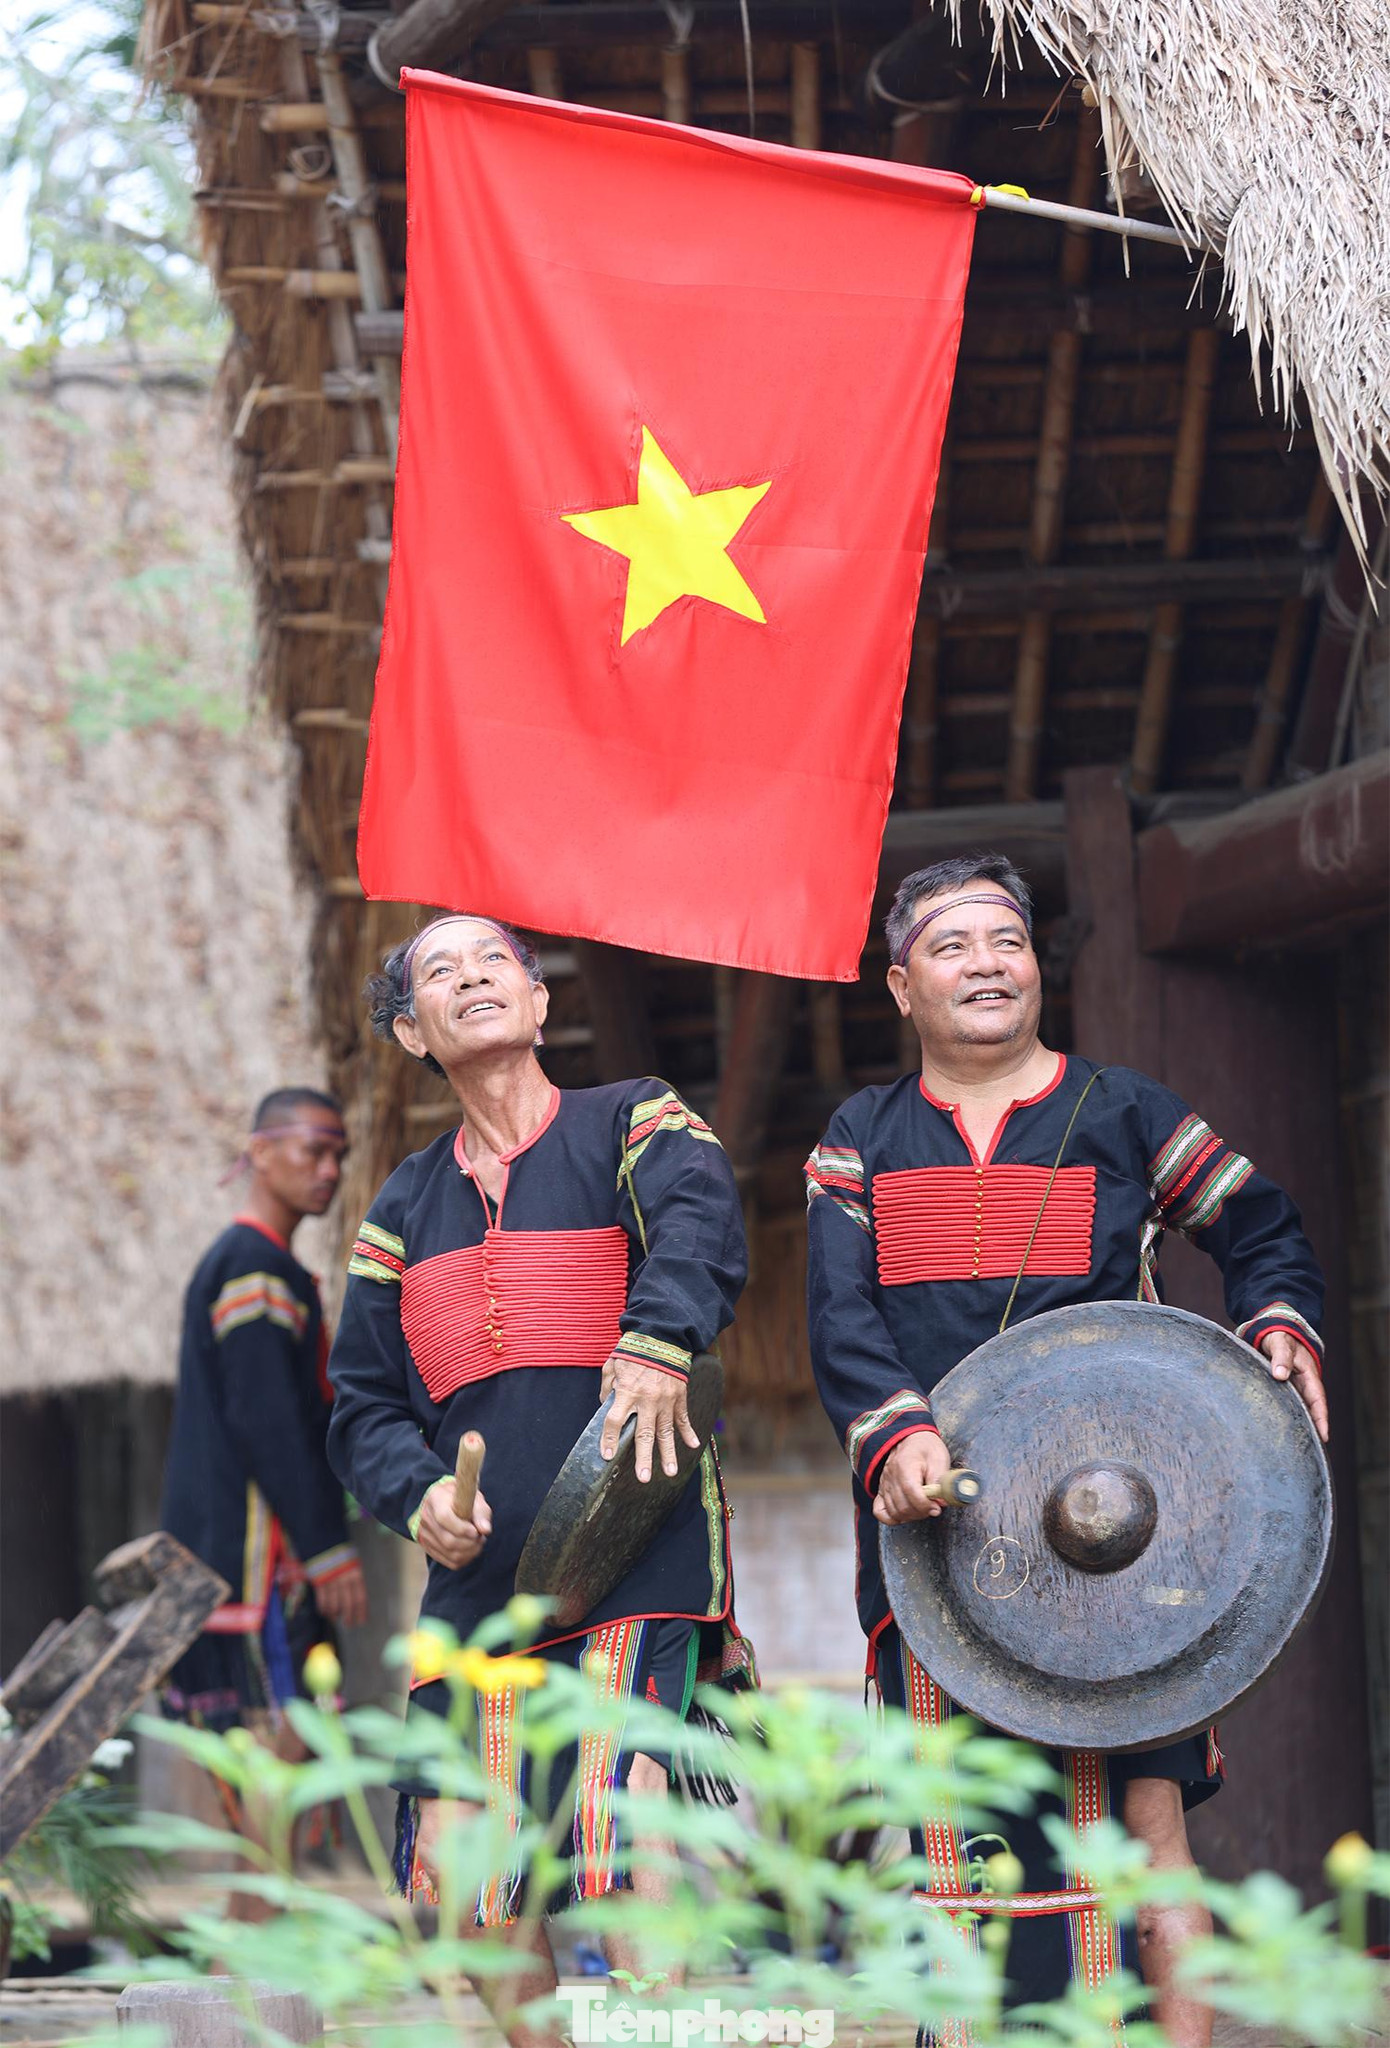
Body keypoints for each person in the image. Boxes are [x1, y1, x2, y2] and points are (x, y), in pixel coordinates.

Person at [804, 855, 1328, 2048]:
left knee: (1147, 1833)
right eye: (952, 946)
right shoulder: (860, 1137)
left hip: (1125, 1549)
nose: (986, 962)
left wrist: (1276, 1324)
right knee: (959, 1834)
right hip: (936, 1544)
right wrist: (893, 1427)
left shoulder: (1123, 1107)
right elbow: (838, 1311)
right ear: (899, 985)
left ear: (1038, 965)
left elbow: (1257, 1222)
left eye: (1007, 939)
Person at [327, 914, 749, 2048]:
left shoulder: (633, 1116)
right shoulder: (398, 1210)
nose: (472, 978)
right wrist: (417, 1491)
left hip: (638, 1542)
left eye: (493, 961)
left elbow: (703, 1217)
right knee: (465, 1883)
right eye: (438, 974)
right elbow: (361, 1402)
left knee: (625, 1834)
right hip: (480, 1581)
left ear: (538, 1000)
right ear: (414, 1032)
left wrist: (659, 1339)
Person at [161, 1087, 369, 1917]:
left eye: (338, 1155)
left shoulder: (257, 1266)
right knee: (277, 1746)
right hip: (257, 1564)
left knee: (267, 1757)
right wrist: (326, 1546)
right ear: (259, 1150)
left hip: (242, 1562)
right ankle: (252, 1956)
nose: (328, 1169)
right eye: (313, 1150)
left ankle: (257, 1946)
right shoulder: (252, 1268)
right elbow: (268, 1422)